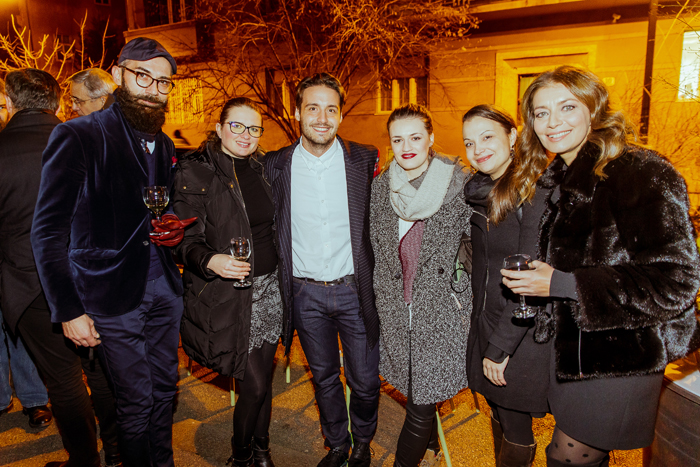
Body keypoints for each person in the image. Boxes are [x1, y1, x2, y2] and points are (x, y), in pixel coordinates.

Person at [501, 65, 700, 466]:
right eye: (541, 113)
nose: (552, 122)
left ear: (594, 109)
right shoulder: (561, 180)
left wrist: (563, 284)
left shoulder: (640, 172)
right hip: (573, 354)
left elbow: (677, 281)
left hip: (618, 359)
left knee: (567, 458)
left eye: (567, 107)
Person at [31, 38, 192, 467]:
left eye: (163, 82)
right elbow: (47, 231)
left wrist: (171, 225)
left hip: (164, 288)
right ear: (119, 74)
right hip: (110, 294)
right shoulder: (78, 134)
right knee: (136, 400)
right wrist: (68, 309)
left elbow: (152, 208)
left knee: (165, 391)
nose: (153, 89)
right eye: (143, 76)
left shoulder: (164, 144)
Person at [264, 73, 380, 467]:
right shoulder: (275, 165)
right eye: (313, 108)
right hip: (304, 294)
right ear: (297, 113)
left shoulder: (364, 159)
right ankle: (338, 445)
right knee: (325, 377)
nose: (322, 118)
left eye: (331, 109)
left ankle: (363, 441)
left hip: (355, 291)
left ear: (341, 115)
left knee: (365, 381)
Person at [0, 68, 102, 467]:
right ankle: (116, 449)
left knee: (64, 381)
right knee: (104, 374)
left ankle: (85, 460)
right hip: (94, 276)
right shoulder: (89, 142)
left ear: (10, 103)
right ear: (58, 103)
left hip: (29, 286)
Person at [173, 97, 282, 467]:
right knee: (254, 384)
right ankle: (240, 455)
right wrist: (210, 260)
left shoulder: (264, 169)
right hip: (231, 295)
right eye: (237, 125)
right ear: (219, 128)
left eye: (253, 128)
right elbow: (182, 240)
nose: (245, 134)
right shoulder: (195, 172)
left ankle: (262, 450)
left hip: (271, 291)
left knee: (262, 379)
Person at [370, 104, 471, 467]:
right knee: (415, 386)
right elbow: (376, 248)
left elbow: (478, 243)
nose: (407, 146)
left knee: (420, 401)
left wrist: (463, 289)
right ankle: (431, 445)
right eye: (398, 139)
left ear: (431, 138)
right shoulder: (381, 188)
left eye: (415, 137)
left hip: (441, 308)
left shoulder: (459, 183)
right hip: (397, 307)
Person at [462, 104, 551, 466]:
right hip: (487, 319)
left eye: (487, 137)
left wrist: (501, 347)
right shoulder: (481, 191)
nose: (478, 149)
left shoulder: (532, 191)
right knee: (498, 409)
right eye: (469, 143)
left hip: (518, 327)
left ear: (512, 136)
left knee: (514, 422)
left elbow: (530, 280)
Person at [64, 68, 123, 466]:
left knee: (104, 371)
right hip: (118, 279)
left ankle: (118, 448)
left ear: (101, 100)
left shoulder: (86, 143)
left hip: (101, 279)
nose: (72, 108)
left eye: (78, 101)